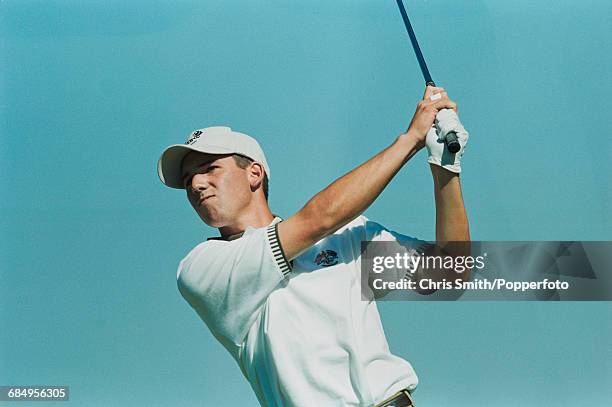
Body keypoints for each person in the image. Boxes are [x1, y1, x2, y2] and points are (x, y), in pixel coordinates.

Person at [157, 86, 470, 407]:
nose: (196, 184)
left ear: (254, 173)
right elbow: (320, 217)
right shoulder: (202, 267)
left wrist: (445, 167)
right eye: (187, 180)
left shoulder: (346, 235)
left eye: (210, 169)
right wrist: (409, 141)